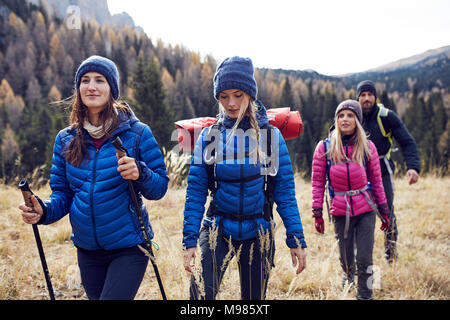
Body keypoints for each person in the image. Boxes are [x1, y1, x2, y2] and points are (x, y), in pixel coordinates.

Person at [18, 55, 169, 300]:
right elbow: (63, 194)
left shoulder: (137, 133)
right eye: (85, 80)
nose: (91, 86)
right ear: (78, 89)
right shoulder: (66, 139)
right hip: (87, 251)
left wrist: (141, 173)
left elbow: (160, 187)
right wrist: (43, 211)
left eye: (100, 80)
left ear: (112, 89)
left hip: (130, 247)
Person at [182, 56, 307, 300]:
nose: (230, 103)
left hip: (258, 230)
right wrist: (189, 241)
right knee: (199, 297)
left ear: (250, 94)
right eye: (224, 96)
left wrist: (296, 239)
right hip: (217, 228)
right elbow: (196, 191)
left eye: (238, 94)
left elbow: (284, 193)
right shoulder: (211, 136)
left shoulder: (269, 137)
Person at [311, 99, 390, 300]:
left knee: (365, 258)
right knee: (346, 259)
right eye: (341, 115)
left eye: (350, 115)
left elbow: (377, 181)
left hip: (365, 209)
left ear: (357, 120)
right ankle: (348, 276)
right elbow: (318, 183)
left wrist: (384, 210)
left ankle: (365, 295)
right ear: (336, 120)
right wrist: (317, 213)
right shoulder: (325, 148)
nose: (345, 119)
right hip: (340, 211)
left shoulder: (367, 146)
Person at [356, 80, 420, 263]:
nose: (367, 99)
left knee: (387, 212)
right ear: (358, 98)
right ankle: (360, 257)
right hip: (357, 173)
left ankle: (390, 254)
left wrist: (413, 167)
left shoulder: (386, 116)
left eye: (370, 95)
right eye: (363, 95)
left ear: (376, 97)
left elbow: (407, 142)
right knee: (357, 216)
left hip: (382, 171)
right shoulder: (352, 116)